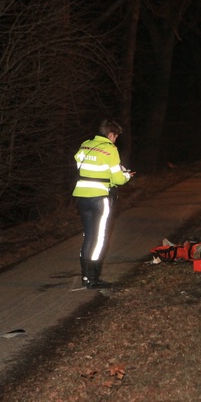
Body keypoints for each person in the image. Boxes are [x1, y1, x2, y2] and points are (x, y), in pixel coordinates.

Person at [72, 119, 134, 289]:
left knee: (88, 236)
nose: (115, 140)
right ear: (111, 134)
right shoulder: (110, 149)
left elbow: (85, 168)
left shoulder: (85, 145)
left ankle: (86, 277)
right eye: (116, 137)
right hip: (100, 197)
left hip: (82, 196)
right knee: (100, 238)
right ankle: (94, 278)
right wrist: (126, 175)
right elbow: (118, 179)